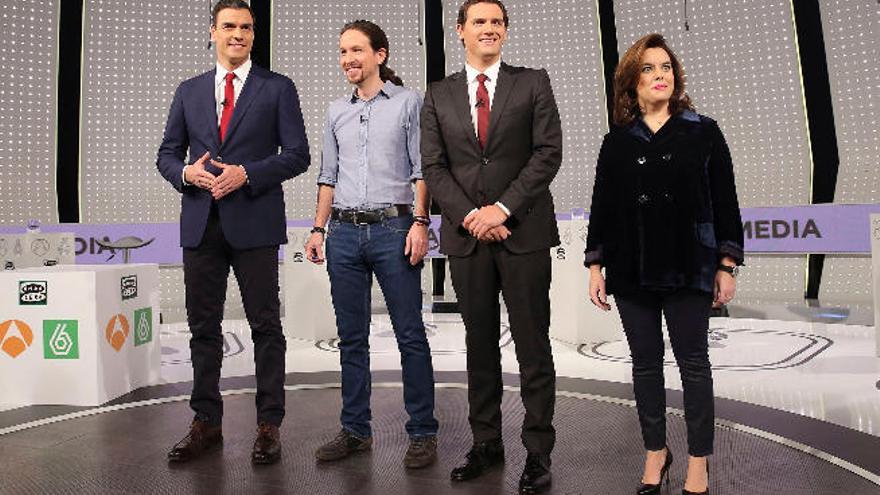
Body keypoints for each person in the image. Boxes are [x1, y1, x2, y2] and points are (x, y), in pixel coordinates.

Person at [585, 33, 743, 495]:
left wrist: (726, 263)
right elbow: (604, 209)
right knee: (645, 365)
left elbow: (726, 201)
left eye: (666, 68)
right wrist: (596, 266)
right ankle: (656, 451)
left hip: (690, 264)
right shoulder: (615, 142)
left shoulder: (703, 131)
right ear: (631, 82)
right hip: (632, 268)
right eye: (649, 69)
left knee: (694, 364)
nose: (660, 76)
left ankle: (698, 461)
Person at [156, 0, 309, 465]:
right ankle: (206, 422)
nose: (237, 34)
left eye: (245, 27)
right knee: (203, 327)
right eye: (229, 26)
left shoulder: (277, 87)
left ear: (253, 34)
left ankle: (269, 425)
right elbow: (166, 155)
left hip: (255, 223)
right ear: (213, 31)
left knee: (266, 325)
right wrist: (186, 175)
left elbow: (298, 154)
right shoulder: (189, 90)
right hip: (201, 224)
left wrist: (249, 173)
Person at [420, 1, 562, 492]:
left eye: (496, 22)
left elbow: (548, 153)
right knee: (479, 348)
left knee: (533, 347)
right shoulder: (438, 95)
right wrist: (472, 218)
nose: (489, 29)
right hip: (467, 240)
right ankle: (486, 444)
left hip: (523, 234)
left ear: (505, 31)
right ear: (460, 31)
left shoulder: (533, 82)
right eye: (479, 22)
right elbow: (434, 168)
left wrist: (501, 210)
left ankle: (538, 453)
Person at [304, 20, 438, 469]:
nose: (348, 59)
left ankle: (422, 432)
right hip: (342, 234)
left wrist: (420, 222)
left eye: (357, 50)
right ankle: (355, 431)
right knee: (351, 339)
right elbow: (327, 175)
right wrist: (318, 229)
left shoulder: (407, 103)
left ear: (379, 54)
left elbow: (422, 170)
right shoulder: (334, 111)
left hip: (394, 230)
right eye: (343, 52)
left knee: (410, 335)